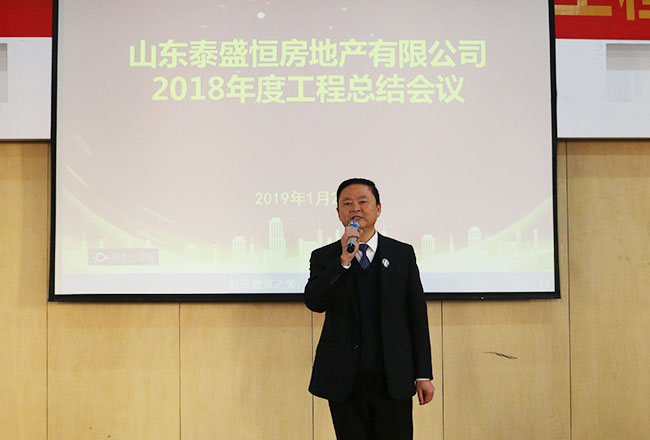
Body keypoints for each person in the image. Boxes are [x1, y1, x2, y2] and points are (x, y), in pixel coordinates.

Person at [305, 178, 434, 440]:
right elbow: (315, 302)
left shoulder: (401, 254)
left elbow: (416, 315)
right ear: (338, 212)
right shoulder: (325, 257)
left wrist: (423, 374)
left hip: (392, 376)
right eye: (347, 203)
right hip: (344, 379)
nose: (355, 208)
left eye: (363, 202)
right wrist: (343, 261)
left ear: (378, 208)